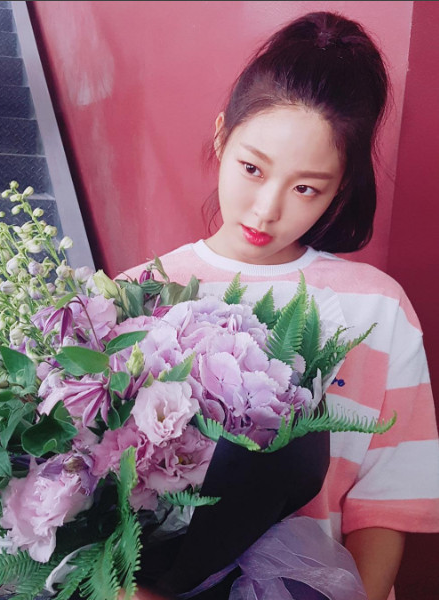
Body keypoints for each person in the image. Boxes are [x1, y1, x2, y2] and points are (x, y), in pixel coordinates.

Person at [120, 9, 439, 600]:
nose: (266, 210)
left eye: (306, 188)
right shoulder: (139, 293)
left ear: (340, 188)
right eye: (251, 168)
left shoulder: (378, 310)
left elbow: (387, 503)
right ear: (222, 135)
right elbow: (99, 499)